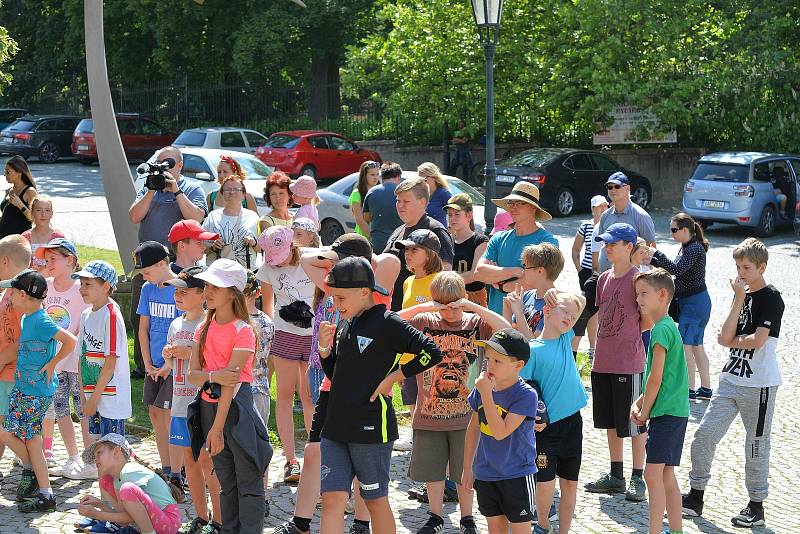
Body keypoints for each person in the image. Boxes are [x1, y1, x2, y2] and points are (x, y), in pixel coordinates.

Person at [316, 256, 443, 534]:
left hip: (372, 427)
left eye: (340, 298)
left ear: (364, 291)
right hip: (335, 427)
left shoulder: (387, 321)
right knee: (332, 498)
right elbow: (337, 375)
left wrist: (395, 377)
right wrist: (325, 350)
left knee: (374, 500)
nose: (336, 305)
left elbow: (432, 352)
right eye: (333, 298)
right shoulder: (346, 323)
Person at [284, 234, 400, 534]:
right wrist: (332, 255)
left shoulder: (371, 294)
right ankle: (300, 523)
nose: (329, 269)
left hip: (362, 392)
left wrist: (355, 260)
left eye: (338, 261)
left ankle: (362, 523)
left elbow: (391, 260)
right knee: (313, 452)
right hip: (330, 385)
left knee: (363, 466)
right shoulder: (335, 285)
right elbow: (305, 259)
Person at [398, 271, 510, 534]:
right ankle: (436, 516)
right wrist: (426, 306)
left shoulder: (475, 322)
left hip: (466, 417)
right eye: (442, 304)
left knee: (465, 471)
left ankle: (467, 518)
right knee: (433, 472)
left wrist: (472, 306)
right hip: (428, 414)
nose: (448, 311)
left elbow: (506, 329)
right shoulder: (425, 319)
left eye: (453, 304)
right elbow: (389, 322)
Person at [682, 238, 784, 528]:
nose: (740, 273)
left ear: (761, 266)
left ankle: (756, 505)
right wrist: (739, 298)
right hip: (729, 380)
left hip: (759, 385)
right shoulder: (743, 294)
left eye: (746, 267)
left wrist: (733, 340)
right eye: (738, 267)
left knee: (755, 445)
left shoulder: (772, 298)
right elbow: (726, 337)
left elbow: (757, 340)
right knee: (704, 436)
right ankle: (695, 497)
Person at [187, 259, 272, 533]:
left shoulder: (244, 331)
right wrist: (214, 376)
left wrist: (217, 428)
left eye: (216, 287)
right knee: (226, 483)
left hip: (236, 411)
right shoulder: (203, 328)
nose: (207, 291)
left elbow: (232, 383)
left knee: (249, 483)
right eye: (207, 285)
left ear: (233, 293)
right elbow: (194, 374)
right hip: (210, 408)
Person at [584, 223, 653, 503]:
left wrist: (629, 338)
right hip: (604, 360)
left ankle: (638, 477)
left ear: (629, 246)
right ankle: (616, 475)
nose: (608, 248)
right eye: (606, 243)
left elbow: (647, 320)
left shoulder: (639, 279)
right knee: (612, 421)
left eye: (614, 243)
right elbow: (601, 315)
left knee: (635, 422)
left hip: (628, 362)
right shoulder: (603, 278)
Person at [0, 269, 77, 513]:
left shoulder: (40, 321)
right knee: (32, 439)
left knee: (6, 432)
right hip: (27, 388)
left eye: (11, 292)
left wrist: (53, 363)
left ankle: (34, 473)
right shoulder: (28, 318)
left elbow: (71, 341)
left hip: (36, 392)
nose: (8, 296)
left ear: (22, 295)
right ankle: (46, 494)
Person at [129, 146, 207, 379]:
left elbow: (197, 217)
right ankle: (145, 367)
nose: (165, 168)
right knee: (142, 315)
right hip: (147, 262)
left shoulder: (191, 188)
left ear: (180, 165)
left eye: (169, 163)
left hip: (176, 263)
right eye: (160, 163)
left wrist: (176, 191)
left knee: (176, 313)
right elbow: (134, 216)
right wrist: (152, 190)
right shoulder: (147, 187)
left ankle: (174, 363)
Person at [520, 290, 586, 534]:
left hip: (572, 423)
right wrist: (531, 418)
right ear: (547, 311)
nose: (570, 317)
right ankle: (543, 526)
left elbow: (583, 302)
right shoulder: (533, 350)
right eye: (564, 312)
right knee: (545, 483)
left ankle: (564, 531)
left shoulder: (565, 338)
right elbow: (526, 389)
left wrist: (557, 295)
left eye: (572, 314)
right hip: (547, 428)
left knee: (570, 482)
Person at [462, 328, 539, 534]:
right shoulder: (482, 389)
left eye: (498, 361)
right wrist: (467, 467)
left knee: (521, 529)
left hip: (517, 474)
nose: (490, 365)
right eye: (488, 359)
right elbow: (473, 428)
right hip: (487, 473)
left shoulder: (525, 395)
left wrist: (486, 394)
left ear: (518, 365)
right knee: (495, 528)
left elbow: (500, 432)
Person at [163, 267, 222, 533]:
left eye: (184, 292)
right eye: (176, 291)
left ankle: (220, 520)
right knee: (190, 460)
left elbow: (214, 363)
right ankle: (201, 515)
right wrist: (168, 355)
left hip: (204, 405)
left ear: (203, 295)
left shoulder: (210, 325)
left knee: (208, 462)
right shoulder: (176, 324)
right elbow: (170, 361)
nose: (178, 295)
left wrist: (190, 353)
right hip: (179, 404)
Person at [630, 269, 689, 534]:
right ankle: (675, 530)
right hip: (674, 411)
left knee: (652, 474)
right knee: (665, 475)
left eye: (644, 293)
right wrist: (640, 401)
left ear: (662, 295)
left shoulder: (660, 330)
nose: (639, 299)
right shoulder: (667, 327)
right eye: (637, 293)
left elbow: (654, 378)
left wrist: (644, 412)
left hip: (666, 413)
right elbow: (661, 379)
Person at [257, 225, 315, 483]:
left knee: (310, 394)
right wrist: (270, 336)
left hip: (314, 336)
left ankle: (315, 455)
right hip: (284, 334)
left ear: (293, 246)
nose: (279, 263)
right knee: (284, 394)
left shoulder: (313, 260)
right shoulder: (268, 269)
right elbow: (268, 307)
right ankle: (291, 459)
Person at [36, 239, 93, 479]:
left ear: (70, 260)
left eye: (53, 260)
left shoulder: (81, 288)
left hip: (76, 361)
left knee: (83, 410)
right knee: (61, 410)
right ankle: (73, 457)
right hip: (53, 362)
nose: (48, 264)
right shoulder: (45, 287)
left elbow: (85, 320)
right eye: (46, 260)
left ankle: (90, 459)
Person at [649, 212, 712, 400]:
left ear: (686, 230)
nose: (672, 234)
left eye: (674, 230)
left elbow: (676, 269)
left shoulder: (693, 249)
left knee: (687, 347)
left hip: (694, 304)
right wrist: (653, 261)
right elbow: (675, 268)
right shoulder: (688, 247)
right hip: (696, 303)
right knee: (696, 346)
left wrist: (656, 253)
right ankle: (706, 389)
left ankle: (689, 390)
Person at [474, 181, 558, 315]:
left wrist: (500, 284)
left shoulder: (547, 241)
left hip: (528, 320)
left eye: (520, 203)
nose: (513, 207)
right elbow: (479, 272)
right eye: (511, 203)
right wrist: (516, 271)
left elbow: (539, 282)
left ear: (533, 208)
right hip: (495, 317)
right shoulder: (498, 238)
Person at [73, 261, 131, 448]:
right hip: (92, 397)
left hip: (110, 400)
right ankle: (102, 478)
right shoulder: (85, 315)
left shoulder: (111, 315)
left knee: (112, 451)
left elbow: (110, 363)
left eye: (88, 284)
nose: (82, 289)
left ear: (106, 286)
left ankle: (112, 479)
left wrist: (93, 399)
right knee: (98, 450)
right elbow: (81, 358)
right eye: (81, 283)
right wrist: (83, 396)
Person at [135, 241, 180, 482]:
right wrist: (148, 364)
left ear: (163, 263)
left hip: (174, 367)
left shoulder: (180, 288)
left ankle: (178, 469)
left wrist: (167, 365)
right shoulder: (147, 289)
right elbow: (143, 329)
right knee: (155, 413)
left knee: (172, 415)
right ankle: (166, 467)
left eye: (147, 270)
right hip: (153, 365)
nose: (144, 275)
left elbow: (185, 333)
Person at [79, 433, 180, 534]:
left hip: (168, 523)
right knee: (105, 481)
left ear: (116, 451)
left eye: (99, 452)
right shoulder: (117, 479)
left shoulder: (129, 471)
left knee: (127, 489)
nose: (95, 459)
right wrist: (100, 505)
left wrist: (97, 515)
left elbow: (128, 518)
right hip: (157, 522)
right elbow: (124, 520)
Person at [384, 176, 454, 311]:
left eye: (406, 201)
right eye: (398, 200)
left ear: (422, 202)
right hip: (395, 311)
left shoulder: (435, 231)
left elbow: (445, 275)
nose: (400, 205)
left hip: (423, 317)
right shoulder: (398, 231)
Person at [243, 270, 275, 518]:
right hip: (258, 388)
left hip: (253, 390)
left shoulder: (255, 323)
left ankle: (259, 496)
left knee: (256, 446)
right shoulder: (265, 320)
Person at [0, 235, 32, 477]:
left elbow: (22, 340)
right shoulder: (10, 291)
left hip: (12, 372)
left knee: (5, 428)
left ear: (5, 261)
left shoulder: (20, 295)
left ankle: (32, 468)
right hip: (6, 371)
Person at [591, 172, 656, 274]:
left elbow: (651, 250)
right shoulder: (605, 215)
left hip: (630, 278)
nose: (613, 190)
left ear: (627, 188)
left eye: (617, 186)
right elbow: (603, 245)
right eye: (610, 187)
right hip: (606, 275)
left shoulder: (641, 216)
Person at [570, 194, 608, 356]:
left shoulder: (608, 226)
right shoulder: (586, 226)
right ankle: (590, 347)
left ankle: (593, 346)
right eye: (600, 206)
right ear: (593, 209)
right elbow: (575, 250)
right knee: (590, 309)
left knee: (596, 311)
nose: (603, 209)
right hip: (588, 273)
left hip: (602, 272)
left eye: (605, 206)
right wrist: (580, 270)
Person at [503, 243, 563, 341]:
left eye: (526, 266)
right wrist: (507, 309)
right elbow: (510, 334)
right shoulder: (527, 295)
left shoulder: (554, 304)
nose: (523, 271)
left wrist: (518, 311)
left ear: (540, 271)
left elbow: (534, 343)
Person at [203, 176, 260, 270]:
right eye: (227, 189)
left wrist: (253, 243)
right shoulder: (212, 217)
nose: (231, 192)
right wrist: (213, 246)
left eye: (236, 189)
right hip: (218, 275)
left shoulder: (253, 217)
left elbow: (263, 249)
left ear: (243, 194)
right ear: (222, 193)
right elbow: (201, 247)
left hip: (245, 275)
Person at [445, 193, 488, 307]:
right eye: (450, 215)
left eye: (457, 214)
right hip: (448, 297)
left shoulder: (480, 241)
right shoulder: (447, 241)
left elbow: (475, 274)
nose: (452, 218)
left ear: (469, 215)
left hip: (473, 300)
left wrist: (446, 280)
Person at [362, 162, 403, 254]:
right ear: (398, 177)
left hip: (377, 244)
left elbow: (366, 219)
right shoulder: (403, 192)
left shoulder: (371, 192)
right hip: (399, 244)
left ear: (382, 177)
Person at [21, 195, 65, 272]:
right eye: (38, 210)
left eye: (47, 210)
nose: (43, 214)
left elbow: (63, 262)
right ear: (32, 213)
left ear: (52, 214)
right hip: (29, 279)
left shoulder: (58, 237)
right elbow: (20, 262)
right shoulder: (25, 237)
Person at [0, 155, 38, 239]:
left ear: (19, 172)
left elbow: (34, 218)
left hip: (18, 242)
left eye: (8, 172)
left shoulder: (30, 191)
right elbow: (8, 216)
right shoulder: (9, 191)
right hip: (3, 239)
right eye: (5, 171)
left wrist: (20, 205)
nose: (5, 174)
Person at [350, 161, 381, 238]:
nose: (376, 177)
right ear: (364, 176)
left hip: (380, 235)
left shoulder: (380, 191)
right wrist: (373, 238)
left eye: (377, 174)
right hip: (363, 238)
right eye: (372, 174)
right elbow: (360, 221)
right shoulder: (357, 193)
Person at [418, 162, 451, 227]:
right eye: (420, 179)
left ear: (434, 177)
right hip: (423, 234)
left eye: (424, 179)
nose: (422, 182)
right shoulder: (421, 194)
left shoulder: (443, 193)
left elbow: (456, 212)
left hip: (439, 234)